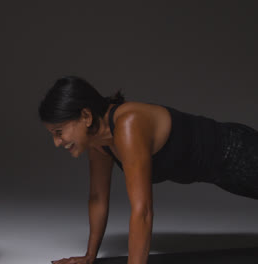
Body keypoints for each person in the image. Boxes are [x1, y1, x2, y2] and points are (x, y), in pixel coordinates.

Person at [38, 76, 258, 264]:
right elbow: (97, 198)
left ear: (86, 117)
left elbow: (142, 212)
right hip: (223, 173)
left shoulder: (128, 125)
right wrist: (89, 256)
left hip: (240, 152)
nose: (57, 142)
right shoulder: (98, 142)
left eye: (59, 132)